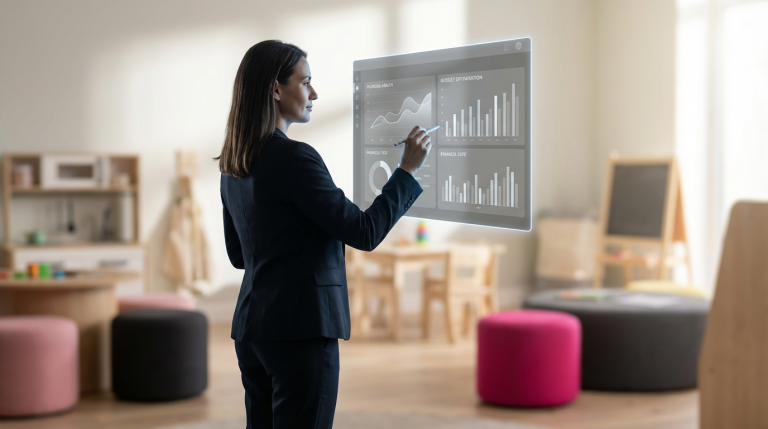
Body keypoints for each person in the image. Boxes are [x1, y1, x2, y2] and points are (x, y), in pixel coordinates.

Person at [215, 40, 432, 429]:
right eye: (305, 82)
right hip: (300, 331)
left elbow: (238, 254)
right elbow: (364, 232)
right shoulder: (295, 158)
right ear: (275, 89)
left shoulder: (233, 164)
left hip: (252, 330)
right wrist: (407, 172)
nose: (314, 93)